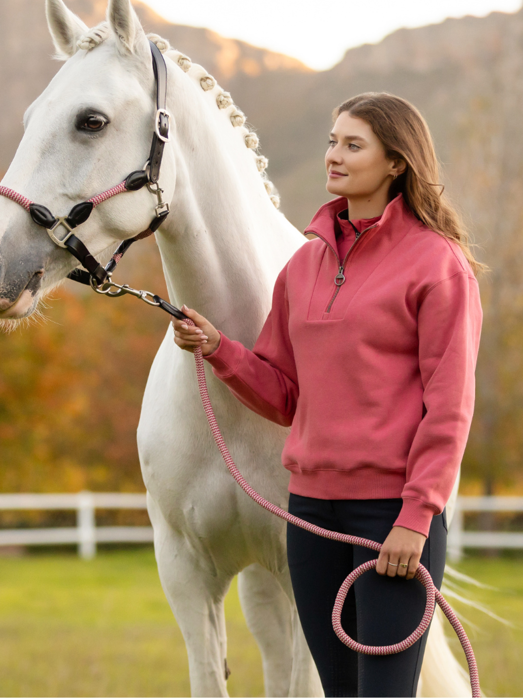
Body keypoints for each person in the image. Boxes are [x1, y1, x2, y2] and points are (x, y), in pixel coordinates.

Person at [172, 92, 485, 697]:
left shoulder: (438, 266)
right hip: (310, 513)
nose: (334, 156)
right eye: (331, 141)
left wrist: (416, 519)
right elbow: (285, 395)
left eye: (352, 144)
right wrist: (219, 349)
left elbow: (449, 410)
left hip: (390, 517)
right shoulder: (303, 267)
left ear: (397, 162)